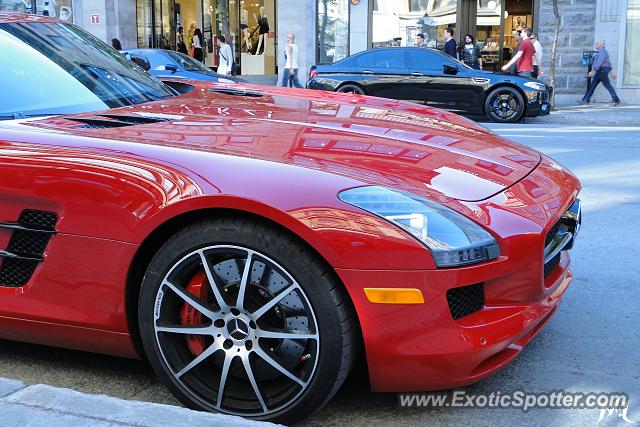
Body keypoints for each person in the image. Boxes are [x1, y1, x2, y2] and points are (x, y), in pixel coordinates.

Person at [580, 41, 621, 106]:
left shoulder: (602, 52)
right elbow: (608, 63)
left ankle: (616, 100)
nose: (595, 44)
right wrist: (612, 72)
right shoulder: (602, 52)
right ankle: (585, 100)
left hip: (601, 71)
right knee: (593, 86)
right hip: (601, 71)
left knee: (606, 86)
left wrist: (593, 71)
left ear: (601, 45)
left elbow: (599, 62)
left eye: (597, 43)